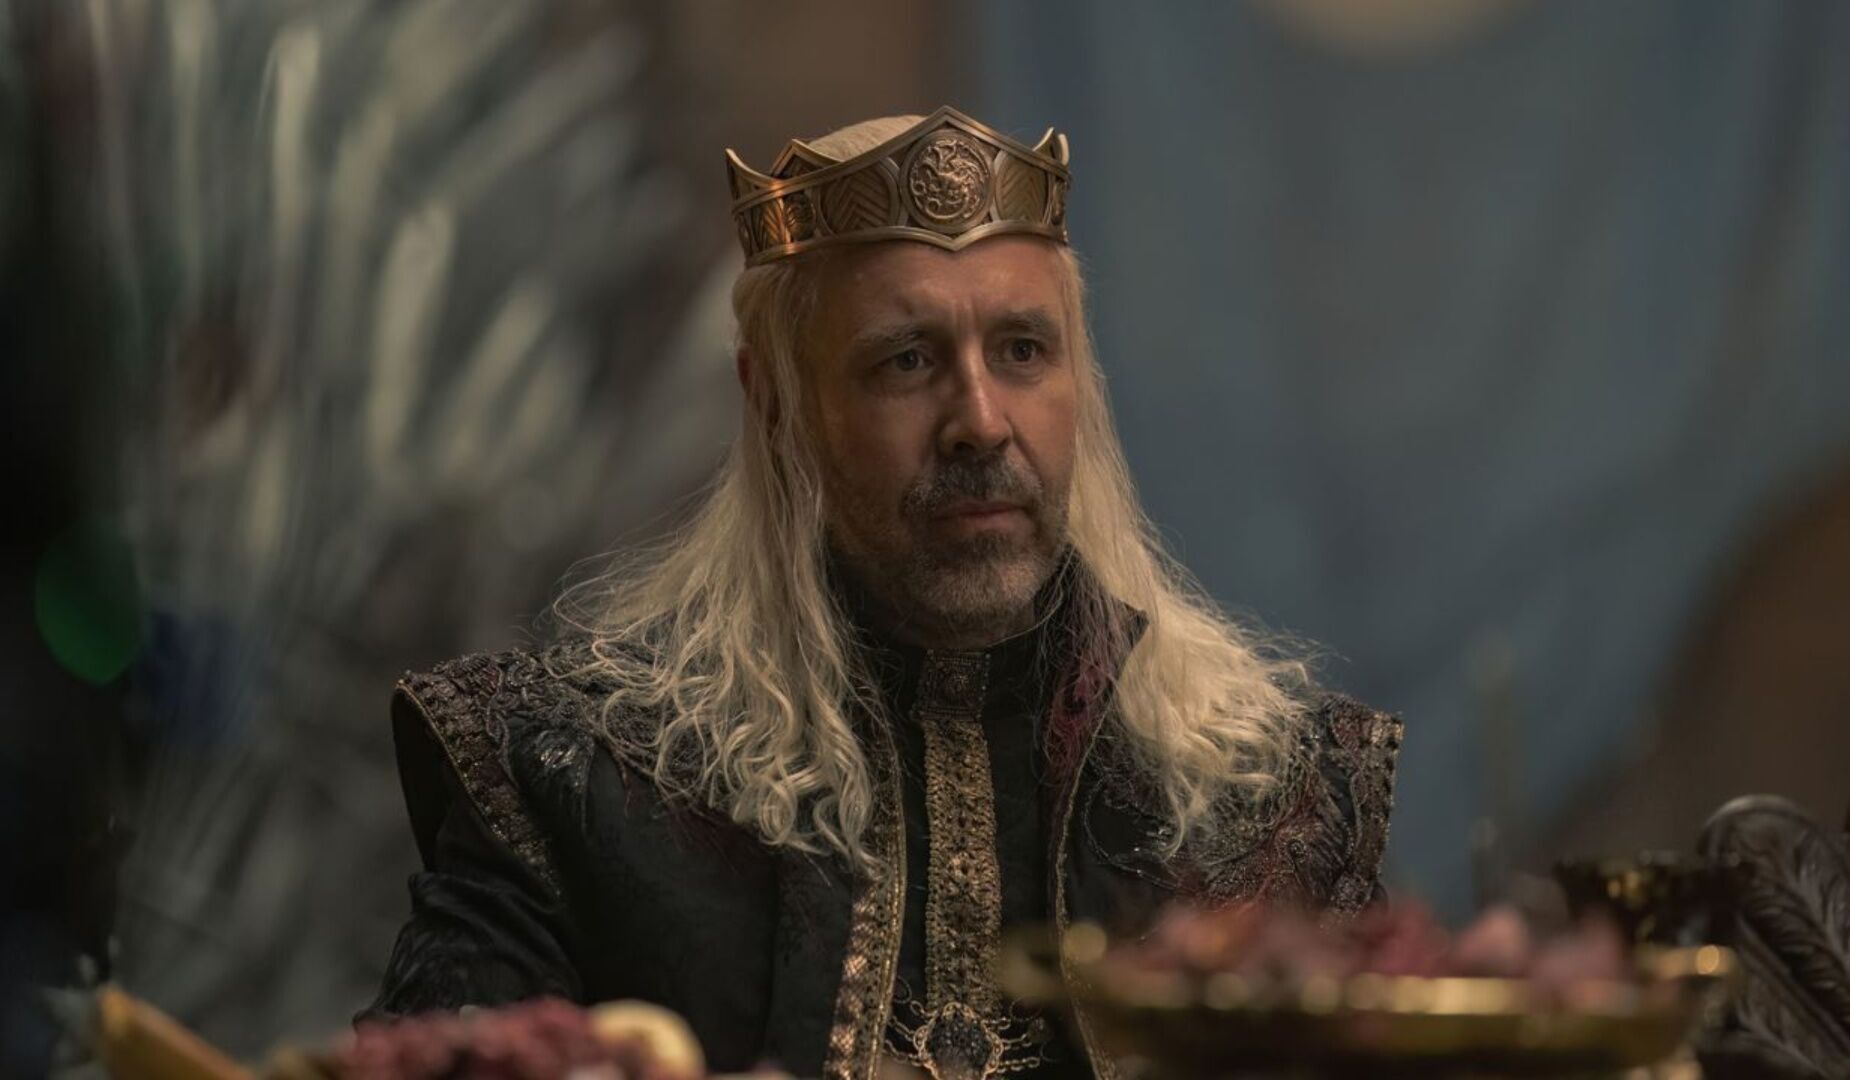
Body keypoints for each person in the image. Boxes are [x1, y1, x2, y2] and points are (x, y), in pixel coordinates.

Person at [365, 107, 1402, 1080]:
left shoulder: (1274, 799)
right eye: (906, 361)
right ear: (776, 402)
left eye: (1023, 351)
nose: (980, 422)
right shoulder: (573, 777)